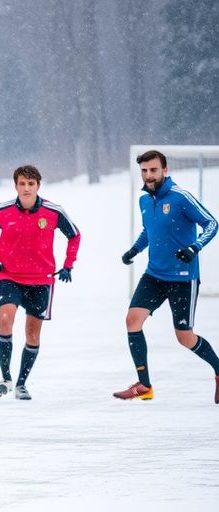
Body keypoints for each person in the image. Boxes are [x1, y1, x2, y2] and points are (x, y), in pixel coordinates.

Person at [114, 150, 218, 403]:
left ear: (165, 170)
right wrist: (134, 250)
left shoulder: (181, 197)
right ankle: (145, 385)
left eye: (153, 170)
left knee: (184, 336)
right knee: (132, 321)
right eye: (144, 171)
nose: (148, 175)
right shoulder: (144, 200)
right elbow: (149, 231)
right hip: (154, 275)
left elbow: (212, 223)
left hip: (183, 277)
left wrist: (194, 248)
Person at [0, 165, 80, 401]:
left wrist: (68, 264)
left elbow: (74, 235)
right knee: (5, 318)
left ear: (38, 186)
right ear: (15, 186)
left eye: (31, 184)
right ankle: (5, 378)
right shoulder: (2, 210)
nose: (26, 188)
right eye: (22, 184)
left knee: (32, 334)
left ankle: (22, 383)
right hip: (9, 276)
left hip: (41, 280)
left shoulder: (53, 211)